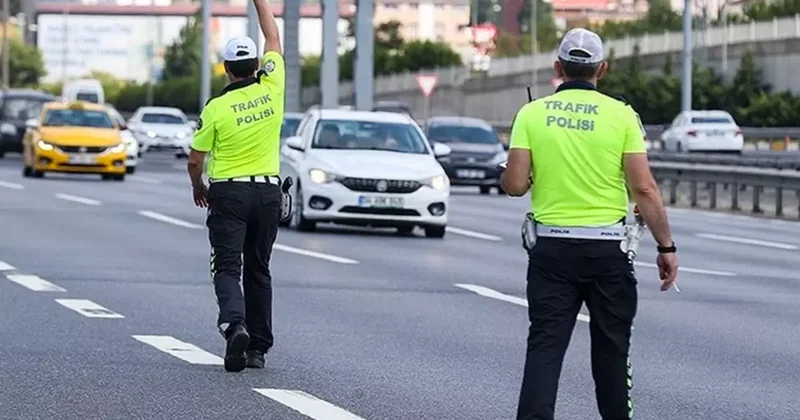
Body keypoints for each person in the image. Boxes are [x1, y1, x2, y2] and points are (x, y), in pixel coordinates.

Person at [500, 28, 679, 420]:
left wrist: (520, 175)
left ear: (558, 68)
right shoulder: (622, 116)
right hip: (607, 253)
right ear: (602, 69)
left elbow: (514, 185)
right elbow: (644, 189)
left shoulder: (531, 114)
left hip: (551, 252)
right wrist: (666, 247)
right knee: (612, 351)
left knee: (545, 348)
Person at [186, 0, 285, 373]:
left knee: (228, 268)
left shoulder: (217, 107)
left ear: (226, 69)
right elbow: (272, 34)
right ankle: (258, 349)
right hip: (268, 193)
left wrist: (198, 187)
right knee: (259, 269)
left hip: (228, 193)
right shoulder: (273, 86)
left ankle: (235, 326)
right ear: (257, 65)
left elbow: (196, 158)